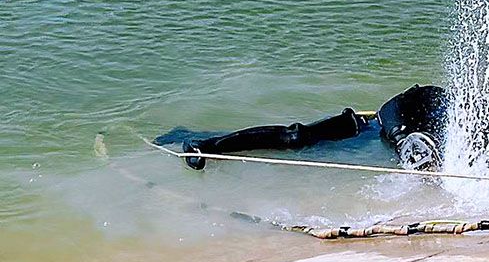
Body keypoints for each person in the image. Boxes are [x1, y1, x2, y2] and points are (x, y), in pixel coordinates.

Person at [154, 84, 450, 172]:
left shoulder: (479, 124)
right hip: (362, 130)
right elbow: (389, 108)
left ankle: (195, 136)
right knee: (296, 138)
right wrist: (402, 139)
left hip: (373, 154)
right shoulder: (440, 97)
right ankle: (202, 144)